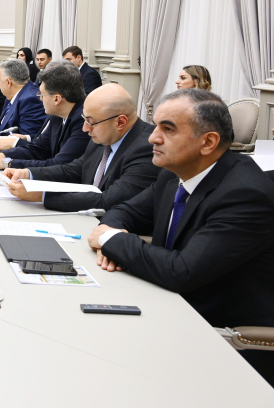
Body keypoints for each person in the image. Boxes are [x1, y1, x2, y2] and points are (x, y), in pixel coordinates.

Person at [89, 89, 274, 384]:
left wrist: (112, 241)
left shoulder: (244, 194)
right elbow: (123, 211)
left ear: (208, 142)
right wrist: (112, 239)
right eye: (156, 126)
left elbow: (182, 272)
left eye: (168, 129)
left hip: (223, 340)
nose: (152, 138)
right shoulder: (173, 174)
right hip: (168, 309)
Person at [3, 83, 160, 211]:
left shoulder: (147, 149)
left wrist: (41, 196)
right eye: (85, 119)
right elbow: (74, 170)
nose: (85, 128)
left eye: (91, 121)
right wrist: (28, 174)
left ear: (120, 122)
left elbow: (108, 200)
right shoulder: (104, 135)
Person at [0, 60, 89, 170]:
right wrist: (2, 154)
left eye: (42, 94)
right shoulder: (57, 114)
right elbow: (39, 148)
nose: (40, 99)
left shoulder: (83, 121)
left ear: (57, 99)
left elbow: (58, 164)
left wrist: (8, 163)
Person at [0, 59, 45, 137]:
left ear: (8, 82)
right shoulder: (12, 95)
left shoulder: (30, 100)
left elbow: (25, 138)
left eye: (0, 80)